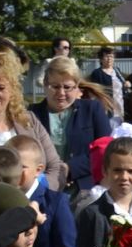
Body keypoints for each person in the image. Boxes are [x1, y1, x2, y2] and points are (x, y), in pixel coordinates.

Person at [0, 52, 65, 189]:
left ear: (12, 90)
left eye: (0, 88)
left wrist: (37, 195)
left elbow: (55, 166)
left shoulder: (29, 120)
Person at [32, 57, 117, 195]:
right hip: (43, 187)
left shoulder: (92, 109)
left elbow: (105, 151)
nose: (61, 93)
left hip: (85, 188)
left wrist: (69, 169)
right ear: (45, 84)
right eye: (55, 86)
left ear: (77, 87)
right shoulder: (32, 114)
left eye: (67, 87)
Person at [88, 45, 126, 112]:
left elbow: (122, 86)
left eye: (111, 56)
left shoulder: (117, 70)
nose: (109, 59)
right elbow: (94, 92)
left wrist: (126, 85)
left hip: (120, 106)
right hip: (106, 107)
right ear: (101, 59)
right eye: (106, 56)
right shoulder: (97, 73)